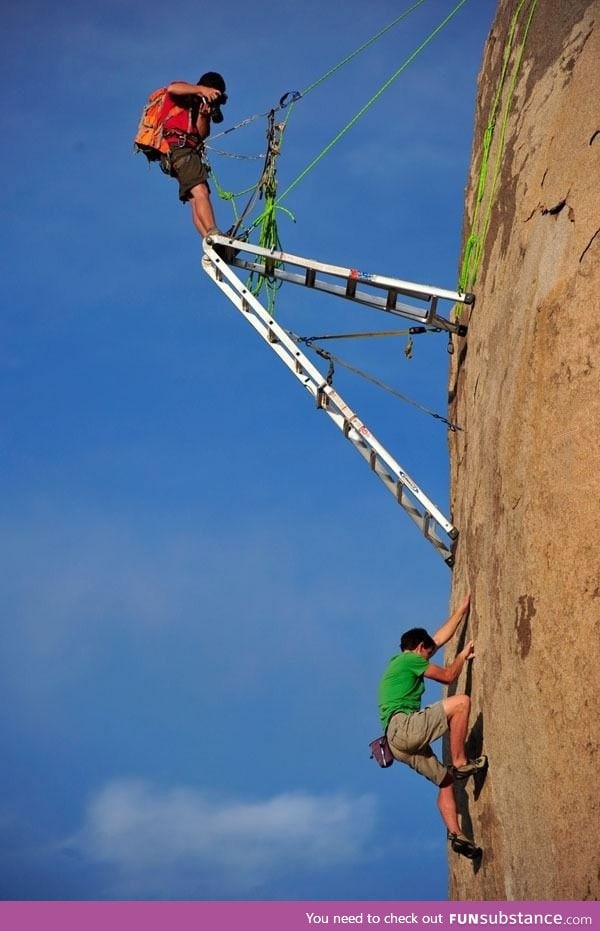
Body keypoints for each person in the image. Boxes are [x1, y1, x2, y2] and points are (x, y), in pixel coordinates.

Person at [377, 592, 487, 859]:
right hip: (405, 727)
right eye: (427, 653)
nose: (429, 657)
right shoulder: (411, 660)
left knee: (445, 781)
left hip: (396, 743)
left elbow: (437, 639)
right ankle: (461, 762)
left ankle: (457, 834)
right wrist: (462, 655)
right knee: (461, 703)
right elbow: (449, 676)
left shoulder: (401, 662)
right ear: (418, 649)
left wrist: (462, 611)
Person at [160, 72, 229, 243]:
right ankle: (213, 234)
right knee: (201, 191)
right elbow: (172, 88)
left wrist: (205, 115)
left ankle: (208, 239)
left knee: (194, 198)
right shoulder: (186, 91)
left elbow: (201, 134)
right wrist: (202, 90)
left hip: (183, 152)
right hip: (178, 149)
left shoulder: (197, 106)